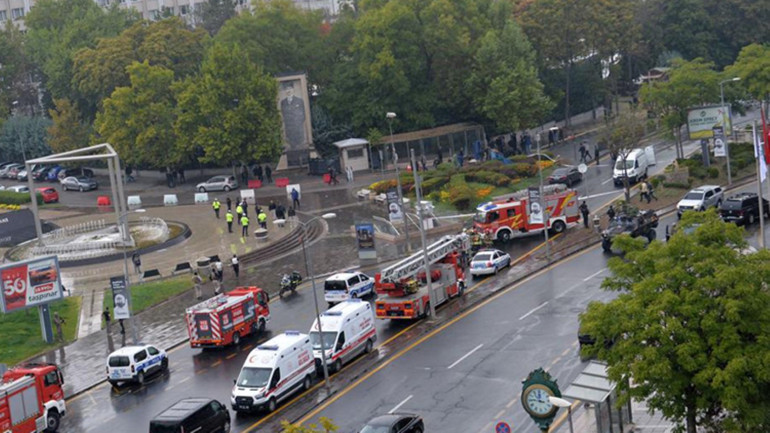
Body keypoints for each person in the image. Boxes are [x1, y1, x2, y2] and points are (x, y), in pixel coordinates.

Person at [280, 82, 307, 149]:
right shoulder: (283, 102)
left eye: (290, 88)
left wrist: (298, 123)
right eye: (287, 89)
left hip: (298, 129)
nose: (288, 91)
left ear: (293, 90)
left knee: (300, 146)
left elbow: (303, 115)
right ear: (285, 91)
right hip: (289, 130)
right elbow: (283, 114)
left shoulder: (299, 101)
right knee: (291, 146)